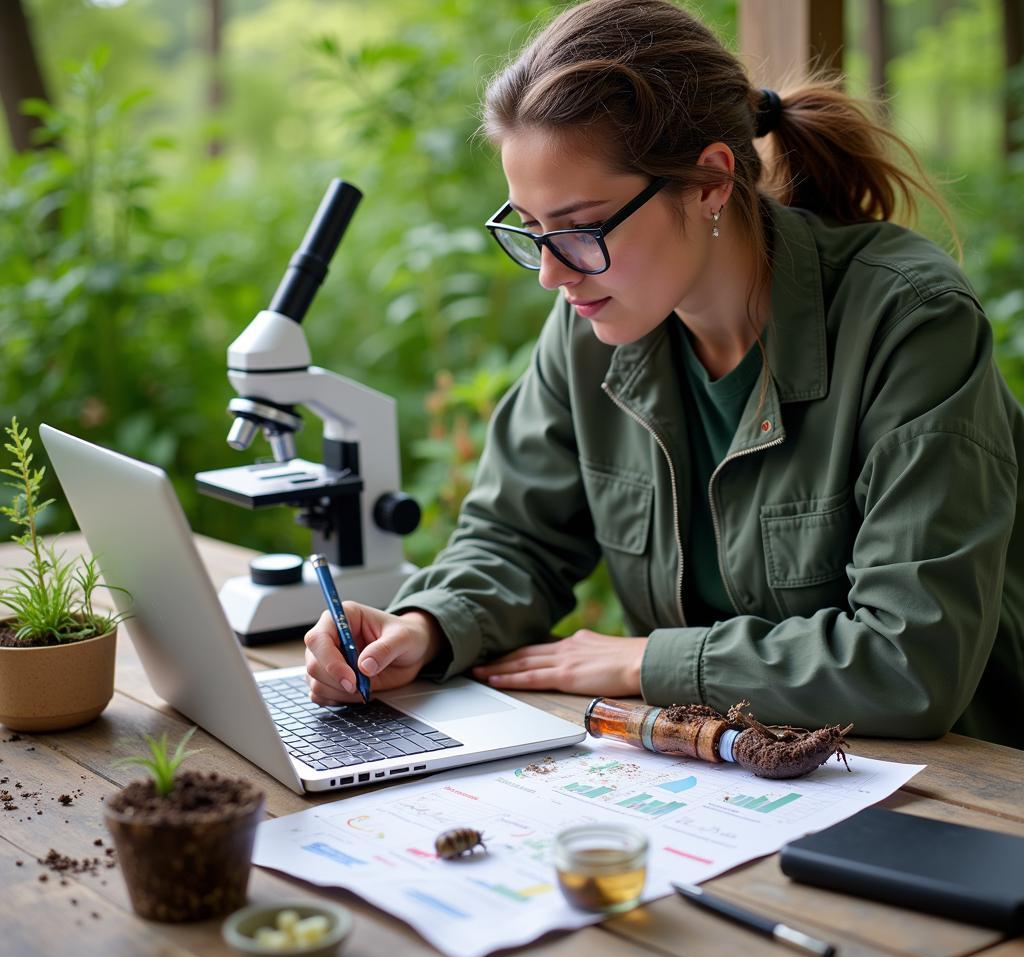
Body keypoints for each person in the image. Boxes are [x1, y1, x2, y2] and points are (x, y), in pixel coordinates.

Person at [304, 0, 1024, 747]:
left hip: (948, 792)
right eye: (531, 228)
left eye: (581, 227)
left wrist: (652, 661)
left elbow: (910, 662)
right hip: (712, 770)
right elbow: (515, 539)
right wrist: (424, 626)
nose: (552, 273)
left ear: (711, 180)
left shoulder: (910, 322)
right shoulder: (594, 318)